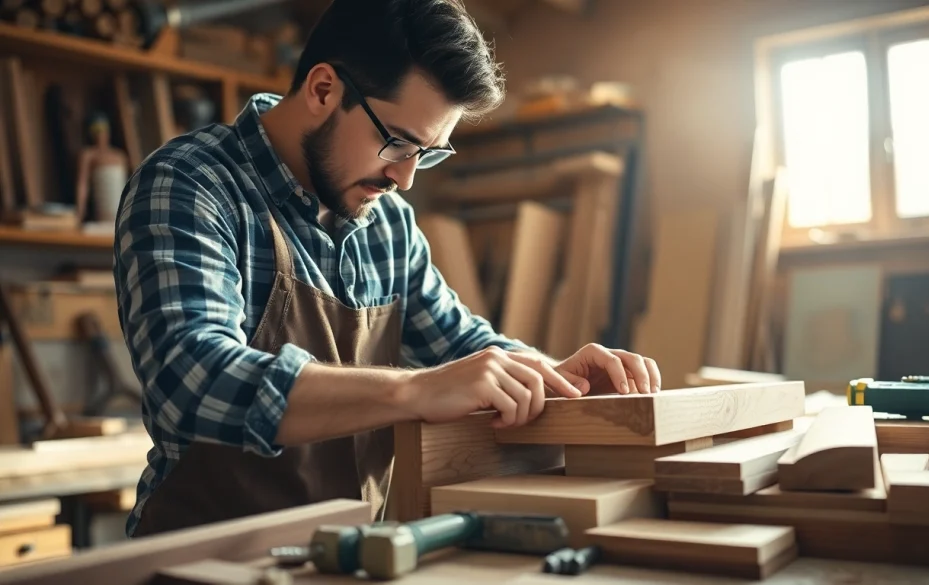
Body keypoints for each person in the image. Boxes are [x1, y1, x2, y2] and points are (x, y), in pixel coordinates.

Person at [113, 0, 661, 539]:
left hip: (347, 559)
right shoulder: (191, 183)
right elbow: (192, 377)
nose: (406, 177)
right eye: (396, 142)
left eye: (428, 153)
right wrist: (412, 392)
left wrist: (553, 375)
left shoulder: (389, 223)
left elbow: (460, 344)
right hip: (199, 561)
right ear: (324, 90)